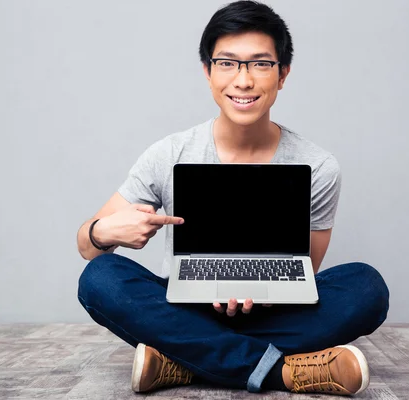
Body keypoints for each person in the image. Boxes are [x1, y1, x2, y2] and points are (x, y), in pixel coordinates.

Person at [76, 0, 389, 396]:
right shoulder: (168, 154)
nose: (243, 80)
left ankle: (182, 361)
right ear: (208, 73)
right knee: (100, 277)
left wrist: (257, 292)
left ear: (283, 74)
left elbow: (304, 270)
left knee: (366, 288)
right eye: (227, 63)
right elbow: (87, 248)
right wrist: (103, 232)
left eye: (260, 63)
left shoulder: (318, 166)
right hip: (182, 308)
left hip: (269, 314)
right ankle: (280, 372)